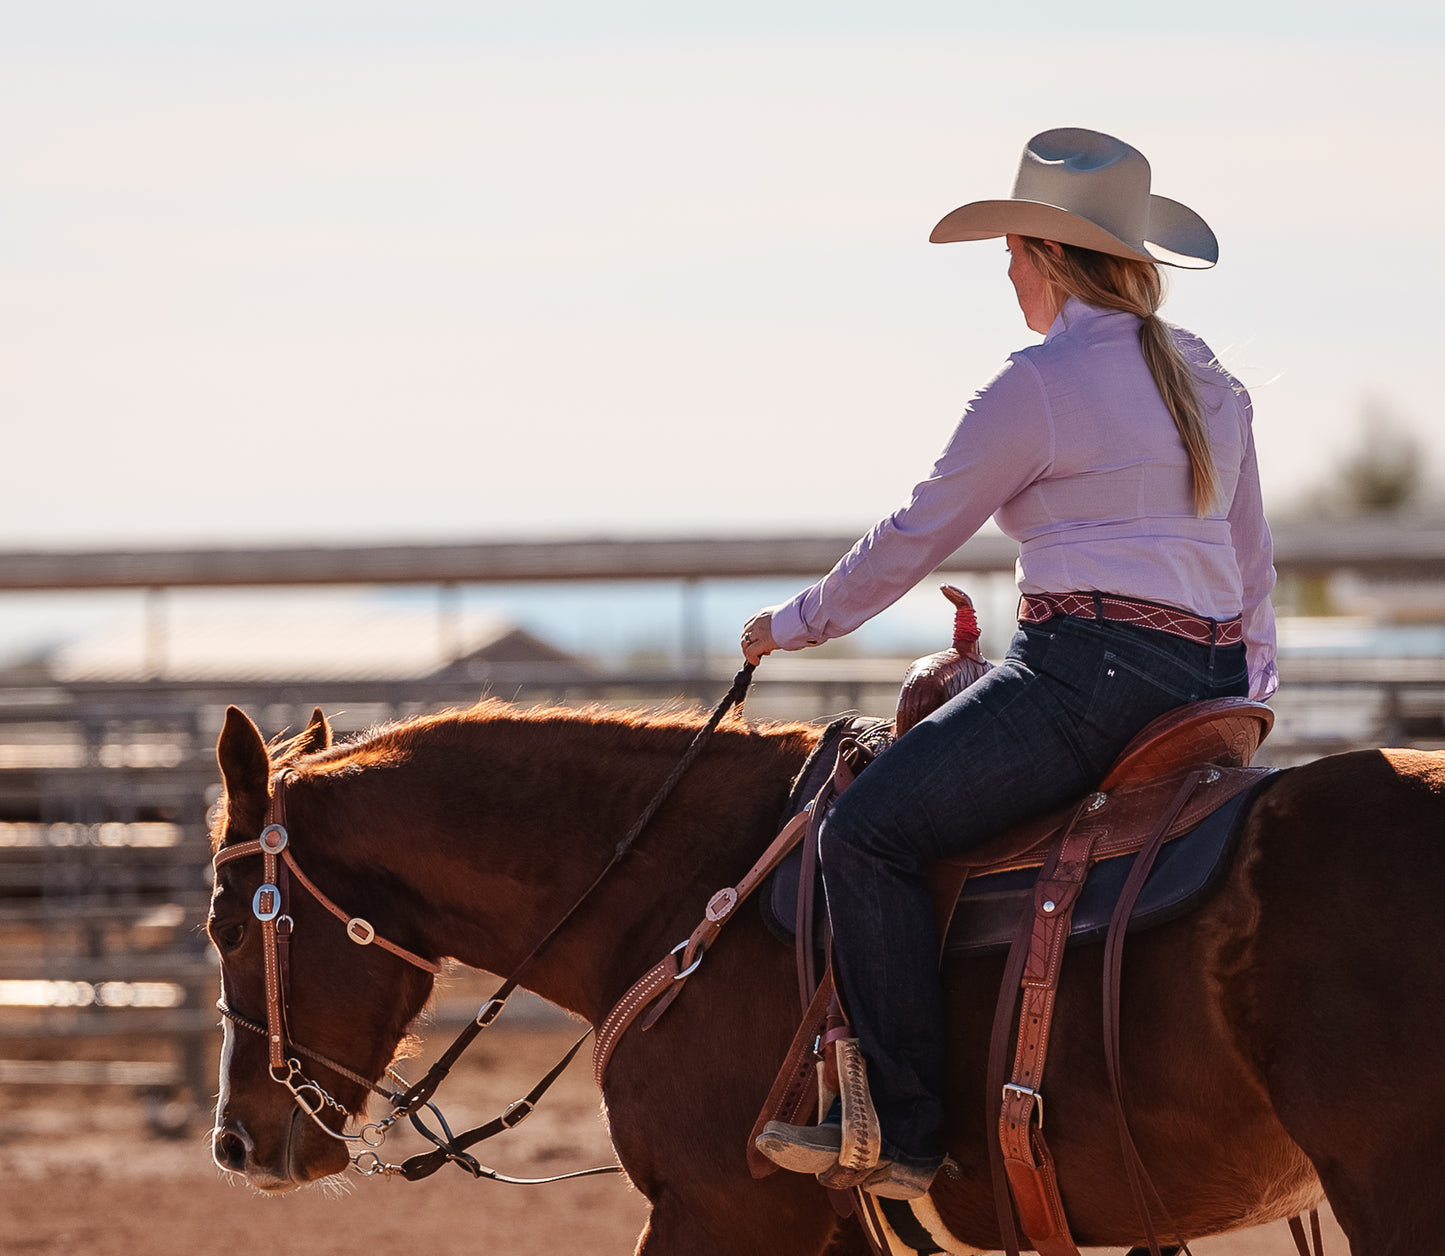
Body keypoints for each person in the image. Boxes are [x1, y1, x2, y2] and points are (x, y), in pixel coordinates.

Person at [744, 127, 1277, 1200]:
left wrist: (794, 622)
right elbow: (1249, 561)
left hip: (1090, 679)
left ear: (1043, 253)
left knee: (867, 831)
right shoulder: (1208, 378)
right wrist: (1248, 696)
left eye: (1010, 251)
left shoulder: (1036, 384)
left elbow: (912, 533)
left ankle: (898, 1122)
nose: (1003, 272)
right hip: (1209, 686)